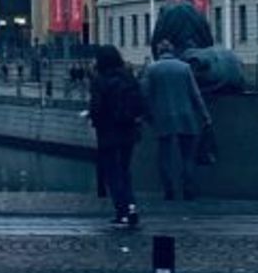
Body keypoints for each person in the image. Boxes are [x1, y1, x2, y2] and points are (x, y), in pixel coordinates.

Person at [142, 40, 210, 202]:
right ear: (172, 51)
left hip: (162, 117)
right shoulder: (184, 67)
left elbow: (145, 94)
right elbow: (195, 94)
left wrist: (146, 115)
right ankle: (188, 189)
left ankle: (169, 189)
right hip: (186, 116)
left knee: (164, 155)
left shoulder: (152, 69)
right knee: (187, 156)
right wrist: (206, 115)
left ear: (159, 52)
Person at [87, 45, 144, 230]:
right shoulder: (129, 77)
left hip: (108, 131)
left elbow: (97, 107)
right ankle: (132, 207)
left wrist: (91, 117)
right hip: (128, 130)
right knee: (125, 172)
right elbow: (141, 101)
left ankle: (122, 212)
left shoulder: (99, 80)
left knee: (113, 173)